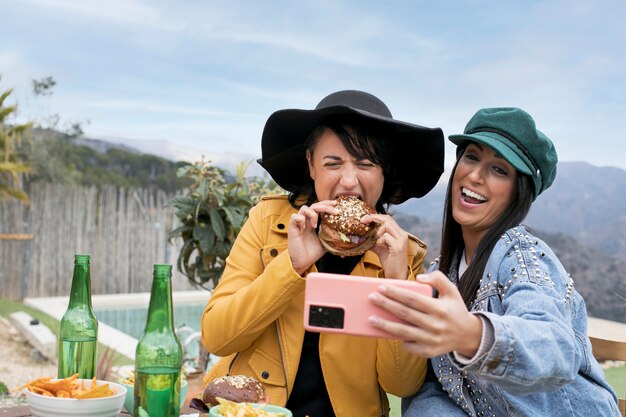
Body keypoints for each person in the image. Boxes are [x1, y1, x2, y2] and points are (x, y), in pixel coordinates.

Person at [200, 90, 445, 417]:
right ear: (311, 165)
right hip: (254, 411)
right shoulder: (268, 222)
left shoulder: (402, 253)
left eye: (365, 164)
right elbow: (217, 337)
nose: (348, 180)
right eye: (333, 163)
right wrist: (292, 266)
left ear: (384, 173)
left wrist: (397, 283)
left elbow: (401, 384)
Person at [367, 107, 621, 416]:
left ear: (518, 193)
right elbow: (436, 387)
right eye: (471, 157)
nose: (475, 175)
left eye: (499, 169)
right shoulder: (441, 274)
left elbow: (556, 347)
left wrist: (473, 334)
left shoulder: (522, 256)